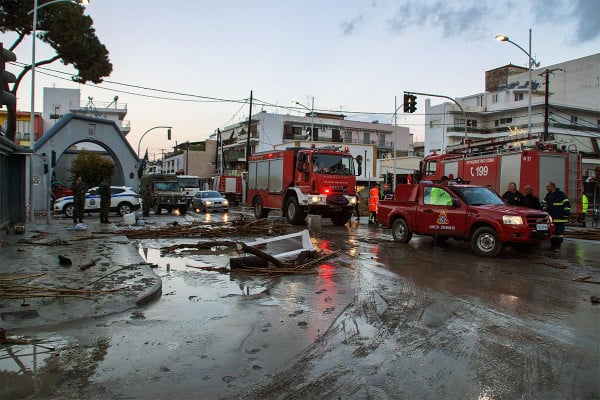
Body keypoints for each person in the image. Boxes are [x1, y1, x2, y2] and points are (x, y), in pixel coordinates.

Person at [542, 181, 571, 252]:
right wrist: (543, 207)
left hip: (560, 218)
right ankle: (553, 246)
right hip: (551, 218)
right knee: (552, 232)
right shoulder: (548, 195)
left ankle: (558, 246)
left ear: (552, 186)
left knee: (559, 233)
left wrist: (566, 213)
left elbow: (567, 203)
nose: (547, 188)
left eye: (548, 186)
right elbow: (543, 203)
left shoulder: (560, 194)